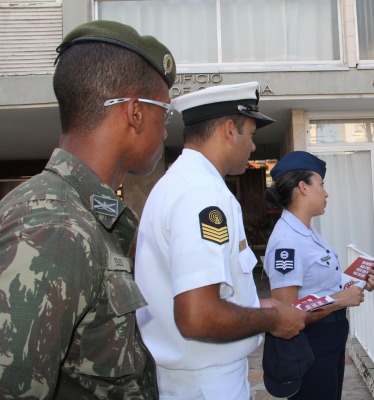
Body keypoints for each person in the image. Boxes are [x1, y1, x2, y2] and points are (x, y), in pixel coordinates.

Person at [0, 20, 177, 398]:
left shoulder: (80, 214)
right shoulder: (55, 227)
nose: (165, 130)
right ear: (135, 112)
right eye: (165, 111)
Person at [134, 81, 307, 400]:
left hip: (188, 378)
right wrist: (273, 318)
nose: (254, 146)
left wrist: (255, 305)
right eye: (251, 135)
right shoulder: (202, 195)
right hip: (206, 384)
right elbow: (198, 316)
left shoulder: (174, 183)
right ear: (230, 130)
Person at [263, 151, 374, 400]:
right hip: (310, 345)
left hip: (329, 340)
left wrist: (359, 281)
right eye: (321, 185)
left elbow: (322, 285)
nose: (326, 193)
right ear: (303, 188)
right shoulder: (287, 240)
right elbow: (286, 316)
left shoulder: (307, 232)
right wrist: (341, 300)